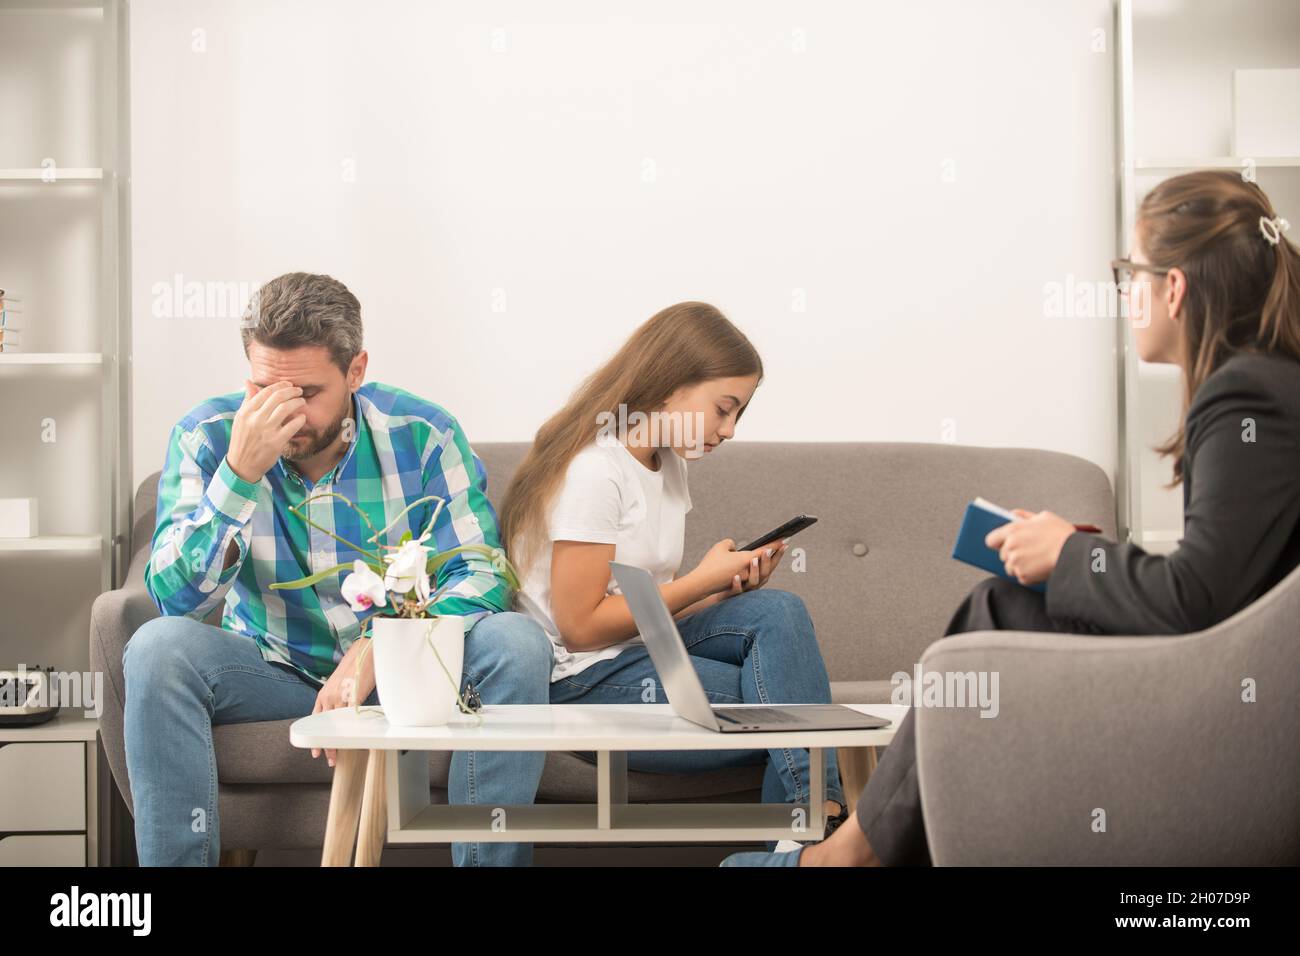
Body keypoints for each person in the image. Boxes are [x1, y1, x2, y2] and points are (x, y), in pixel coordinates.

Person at [723, 169, 1300, 865]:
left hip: (1236, 700)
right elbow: (1220, 584)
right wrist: (1075, 554)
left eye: (1130, 271)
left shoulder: (1245, 398)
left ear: (1173, 287)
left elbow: (1198, 597)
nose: (1124, 292)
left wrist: (1069, 555)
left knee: (997, 605)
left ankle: (850, 855)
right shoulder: (1265, 384)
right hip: (1242, 676)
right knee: (1001, 603)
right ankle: (861, 849)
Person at [125, 272, 553, 866]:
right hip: (274, 669)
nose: (283, 413)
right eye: (263, 389)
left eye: (305, 392)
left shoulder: (425, 435)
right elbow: (177, 600)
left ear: (356, 371)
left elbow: (484, 574)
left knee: (516, 641)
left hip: (407, 671)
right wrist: (239, 477)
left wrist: (379, 649)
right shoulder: (208, 436)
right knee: (156, 649)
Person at [500, 301, 849, 844]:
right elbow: (582, 628)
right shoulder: (596, 470)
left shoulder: (668, 463)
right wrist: (702, 580)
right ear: (670, 386)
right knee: (779, 697)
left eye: (739, 414)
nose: (729, 430)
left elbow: (648, 603)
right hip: (584, 676)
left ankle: (809, 824)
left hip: (644, 645)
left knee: (780, 611)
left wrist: (718, 590)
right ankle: (817, 831)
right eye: (724, 408)